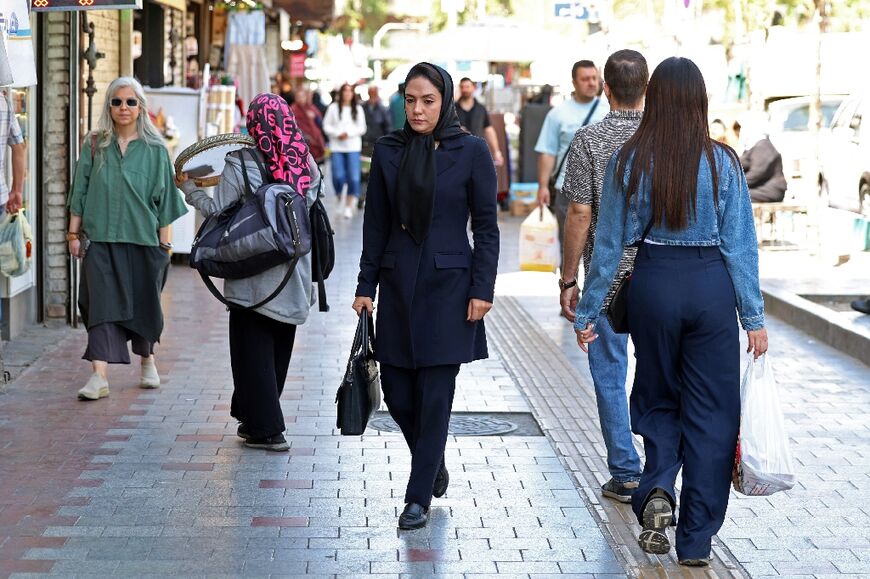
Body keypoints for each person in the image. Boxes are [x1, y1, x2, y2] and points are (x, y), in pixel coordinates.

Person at [574, 57, 768, 567]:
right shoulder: (722, 162)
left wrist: (587, 311)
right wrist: (754, 317)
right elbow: (740, 246)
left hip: (653, 281)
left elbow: (610, 246)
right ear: (700, 102)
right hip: (710, 287)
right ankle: (696, 540)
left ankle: (658, 486)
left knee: (659, 394)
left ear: (654, 98)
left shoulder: (629, 160)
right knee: (713, 412)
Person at [352, 62, 499, 531]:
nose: (418, 110)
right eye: (410, 100)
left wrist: (482, 288)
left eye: (428, 101)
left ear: (445, 101)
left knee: (436, 395)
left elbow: (487, 227)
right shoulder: (389, 150)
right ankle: (430, 461)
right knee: (396, 392)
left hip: (449, 288)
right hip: (395, 284)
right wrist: (364, 286)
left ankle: (417, 498)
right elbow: (374, 223)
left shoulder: (471, 151)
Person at [178, 94, 321, 452]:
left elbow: (218, 214)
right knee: (276, 352)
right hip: (293, 274)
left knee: (249, 352)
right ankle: (252, 417)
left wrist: (190, 190)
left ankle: (267, 429)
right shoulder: (306, 164)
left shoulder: (240, 162)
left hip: (251, 275)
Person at [559, 49, 648, 504]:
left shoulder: (589, 140)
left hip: (606, 279)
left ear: (607, 89)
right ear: (646, 89)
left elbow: (578, 213)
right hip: (658, 278)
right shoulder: (666, 141)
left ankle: (625, 470)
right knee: (656, 373)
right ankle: (660, 468)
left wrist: (568, 279)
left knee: (610, 374)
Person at [67, 77, 188, 401]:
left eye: (130, 102)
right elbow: (79, 192)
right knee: (100, 306)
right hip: (100, 240)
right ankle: (98, 375)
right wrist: (73, 233)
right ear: (109, 106)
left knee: (143, 305)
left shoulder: (156, 149)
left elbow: (165, 203)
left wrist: (165, 247)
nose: (124, 108)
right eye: (117, 101)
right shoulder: (94, 144)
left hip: (143, 240)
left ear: (141, 107)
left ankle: (147, 360)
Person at [535, 60, 609, 252]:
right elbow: (548, 151)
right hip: (566, 190)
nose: (592, 83)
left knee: (600, 248)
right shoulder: (557, 114)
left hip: (603, 190)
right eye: (585, 79)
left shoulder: (608, 110)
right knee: (568, 245)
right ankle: (569, 281)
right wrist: (543, 186)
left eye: (595, 78)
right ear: (574, 82)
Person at [323, 83, 366, 219]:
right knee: (338, 176)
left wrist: (349, 133)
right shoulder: (333, 108)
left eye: (350, 91)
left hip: (353, 147)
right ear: (341, 93)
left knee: (354, 177)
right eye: (345, 91)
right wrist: (337, 133)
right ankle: (338, 194)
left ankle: (348, 205)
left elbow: (362, 128)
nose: (347, 94)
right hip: (337, 148)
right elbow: (326, 126)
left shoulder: (358, 109)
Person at [734, 120, 788, 203]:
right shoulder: (754, 147)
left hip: (769, 190)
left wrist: (734, 184)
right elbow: (741, 164)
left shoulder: (763, 146)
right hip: (760, 187)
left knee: (732, 197)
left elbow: (757, 173)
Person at [455, 77, 504, 167]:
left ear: (473, 88)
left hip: (476, 152)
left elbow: (488, 129)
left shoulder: (481, 109)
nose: (464, 89)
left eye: (467, 86)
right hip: (457, 153)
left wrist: (497, 152)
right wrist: (457, 130)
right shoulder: (452, 109)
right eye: (462, 87)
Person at [291, 85, 326, 164]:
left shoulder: (311, 107)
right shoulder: (293, 109)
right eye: (298, 97)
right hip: (303, 141)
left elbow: (320, 124)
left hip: (316, 138)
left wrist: (314, 117)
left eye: (302, 96)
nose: (301, 99)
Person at [362, 84, 392, 156]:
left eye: (374, 93)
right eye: (371, 93)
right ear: (368, 93)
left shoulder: (383, 109)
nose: (373, 95)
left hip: (378, 143)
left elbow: (388, 127)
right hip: (365, 144)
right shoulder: (362, 107)